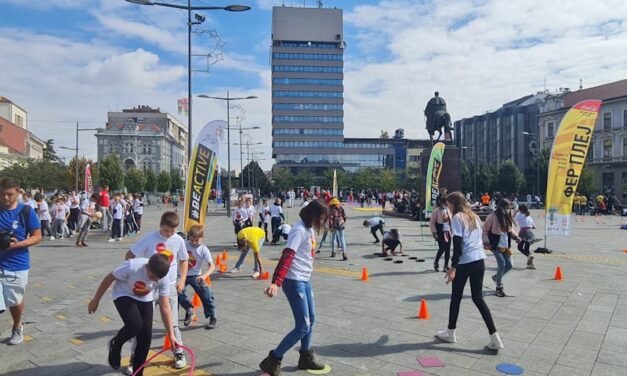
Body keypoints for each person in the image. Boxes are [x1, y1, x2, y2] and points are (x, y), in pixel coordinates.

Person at [260, 200, 329, 376]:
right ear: (313, 215)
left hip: (304, 280)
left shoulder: (309, 228)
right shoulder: (299, 230)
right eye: (321, 218)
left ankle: (305, 357)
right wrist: (276, 282)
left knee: (311, 319)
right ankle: (273, 359)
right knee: (303, 326)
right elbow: (287, 256)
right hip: (294, 281)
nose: (322, 222)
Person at [88, 253, 178, 375]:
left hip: (145, 298)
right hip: (123, 294)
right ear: (147, 267)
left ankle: (138, 373)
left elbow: (165, 306)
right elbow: (109, 278)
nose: (155, 280)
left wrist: (171, 334)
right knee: (135, 325)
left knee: (145, 338)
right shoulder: (133, 266)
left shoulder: (163, 278)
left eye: (158, 279)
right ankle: (116, 344)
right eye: (152, 276)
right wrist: (96, 300)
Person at [436, 191, 503, 351]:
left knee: (456, 298)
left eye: (449, 205)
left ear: (453, 204)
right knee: (478, 298)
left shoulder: (457, 218)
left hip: (465, 262)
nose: (448, 208)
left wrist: (452, 268)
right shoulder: (474, 216)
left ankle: (451, 333)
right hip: (479, 260)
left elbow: (458, 247)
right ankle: (495, 338)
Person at [124, 211, 189, 369]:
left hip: (170, 286)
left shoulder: (178, 240)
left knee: (172, 322)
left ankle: (178, 351)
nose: (169, 234)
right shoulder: (149, 238)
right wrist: (141, 273)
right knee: (142, 326)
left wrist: (182, 280)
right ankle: (136, 357)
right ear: (160, 226)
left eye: (172, 231)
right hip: (148, 288)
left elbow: (184, 260)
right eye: (166, 230)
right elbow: (129, 256)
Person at [0, 178, 42, 345]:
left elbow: (37, 236)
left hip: (17, 263)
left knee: (14, 300)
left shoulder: (25, 211)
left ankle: (17, 325)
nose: (5, 198)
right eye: (2, 194)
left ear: (18, 192)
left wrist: (17, 244)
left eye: (9, 194)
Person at [178, 225, 217, 330]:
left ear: (202, 238)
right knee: (177, 291)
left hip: (196, 275)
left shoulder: (204, 249)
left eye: (196, 240)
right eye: (191, 239)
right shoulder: (184, 245)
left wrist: (204, 276)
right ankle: (189, 308)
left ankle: (212, 316)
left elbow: (212, 266)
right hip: (182, 274)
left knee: (207, 295)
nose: (194, 242)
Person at [483, 198, 521, 297]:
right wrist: (486, 242)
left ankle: (496, 277)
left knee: (509, 265)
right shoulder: (492, 217)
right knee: (502, 264)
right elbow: (485, 230)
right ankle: (499, 285)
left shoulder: (508, 216)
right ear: (501, 207)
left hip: (505, 245)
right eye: (507, 208)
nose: (508, 210)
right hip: (495, 245)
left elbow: (510, 230)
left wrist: (516, 237)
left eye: (509, 208)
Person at [430, 196, 452, 272]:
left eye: (447, 203)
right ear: (441, 203)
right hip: (440, 231)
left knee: (448, 250)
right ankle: (436, 261)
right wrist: (434, 233)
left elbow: (451, 221)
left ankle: (446, 265)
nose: (446, 204)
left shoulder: (448, 210)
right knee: (442, 248)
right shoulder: (436, 211)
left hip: (448, 231)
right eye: (445, 203)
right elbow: (432, 223)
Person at [514, 204, 537, 269]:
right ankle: (531, 265)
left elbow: (513, 219)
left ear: (520, 210)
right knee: (527, 249)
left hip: (523, 233)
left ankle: (529, 256)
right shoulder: (529, 216)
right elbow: (534, 227)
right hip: (530, 234)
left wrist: (516, 212)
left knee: (520, 247)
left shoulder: (519, 215)